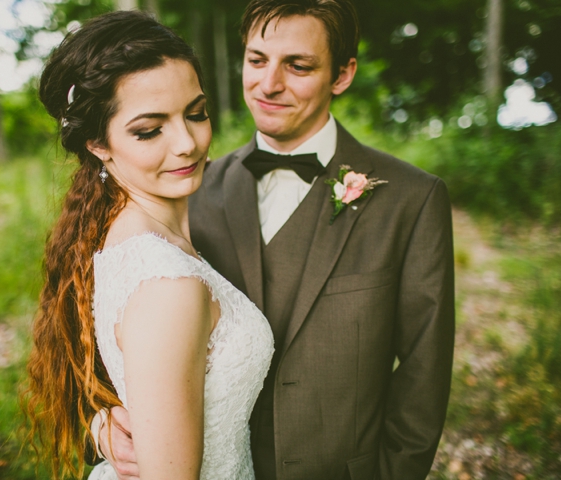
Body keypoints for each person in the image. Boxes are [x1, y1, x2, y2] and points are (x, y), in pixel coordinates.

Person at [96, 1, 455, 479]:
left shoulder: (412, 200)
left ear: (343, 74)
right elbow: (105, 350)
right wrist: (99, 428)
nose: (268, 85)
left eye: (298, 65)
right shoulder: (184, 188)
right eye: (257, 59)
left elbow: (422, 378)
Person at [24, 11, 274, 480]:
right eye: (149, 129)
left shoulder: (114, 230)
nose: (187, 143)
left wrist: (101, 425)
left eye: (196, 113)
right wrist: (100, 428)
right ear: (99, 142)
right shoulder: (167, 284)